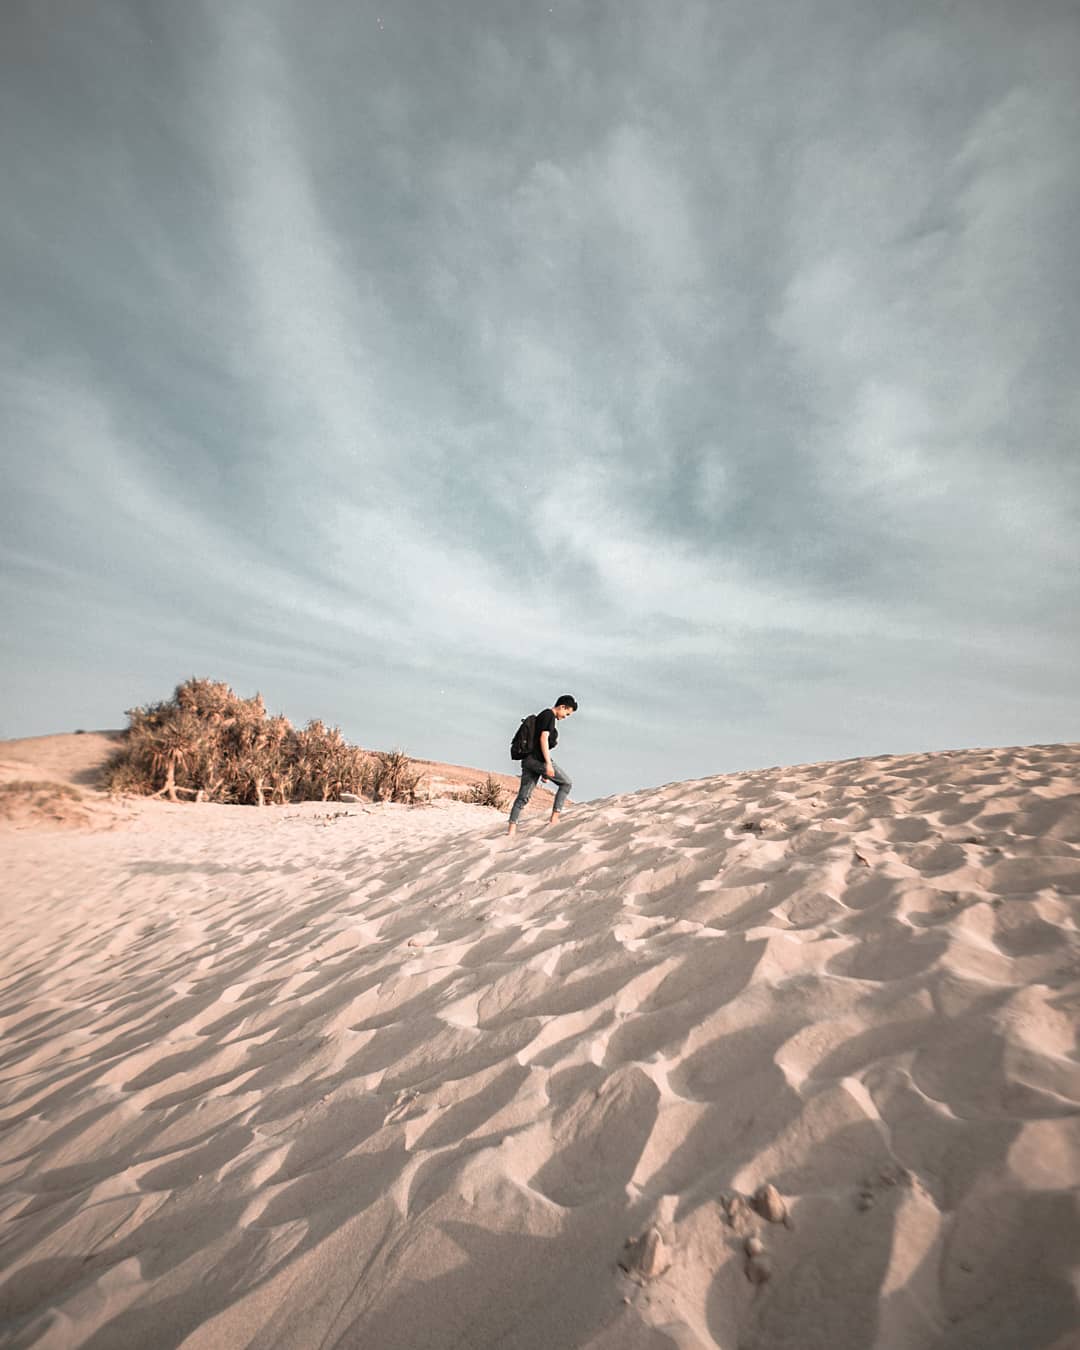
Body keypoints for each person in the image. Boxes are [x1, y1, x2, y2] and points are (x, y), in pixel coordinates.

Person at [507, 695, 578, 834]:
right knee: (566, 784)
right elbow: (543, 739)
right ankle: (554, 819)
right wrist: (547, 765)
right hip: (538, 760)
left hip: (527, 761)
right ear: (562, 706)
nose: (565, 717)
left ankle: (511, 830)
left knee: (523, 797)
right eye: (567, 713)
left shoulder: (543, 715)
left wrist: (542, 772)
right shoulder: (549, 716)